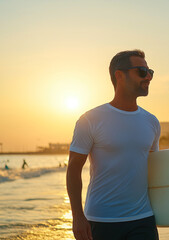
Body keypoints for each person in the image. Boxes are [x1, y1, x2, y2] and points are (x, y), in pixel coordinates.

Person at [66, 49, 160, 240]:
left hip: (143, 219)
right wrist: (77, 217)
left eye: (150, 72)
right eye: (142, 72)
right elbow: (73, 169)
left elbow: (153, 169)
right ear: (119, 75)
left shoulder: (152, 122)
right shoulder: (91, 119)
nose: (148, 77)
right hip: (101, 221)